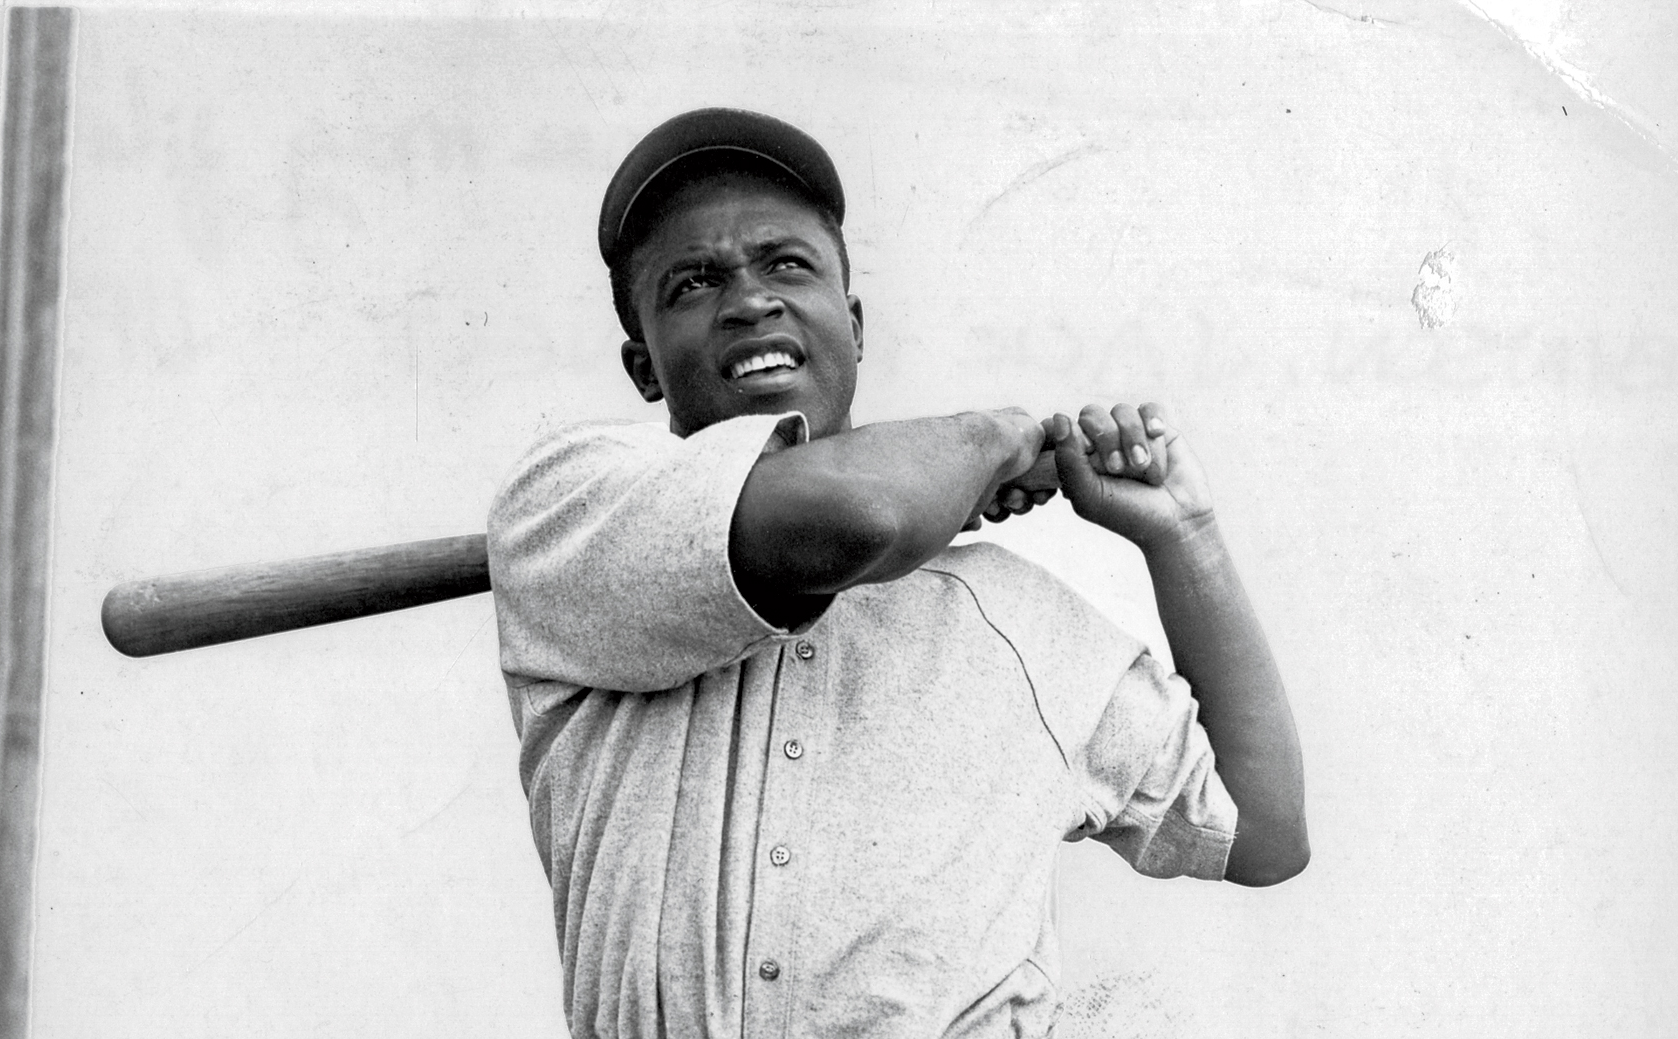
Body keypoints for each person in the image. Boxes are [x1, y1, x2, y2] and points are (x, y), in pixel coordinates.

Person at [487, 108, 1307, 1039]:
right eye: (693, 282)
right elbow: (854, 516)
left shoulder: (1004, 613)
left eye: (787, 264)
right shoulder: (567, 509)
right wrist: (993, 437)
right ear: (644, 365)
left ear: (856, 322)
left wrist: (1184, 536)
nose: (750, 300)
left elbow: (1262, 830)